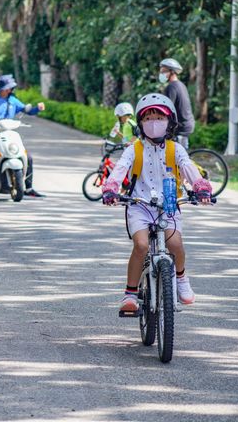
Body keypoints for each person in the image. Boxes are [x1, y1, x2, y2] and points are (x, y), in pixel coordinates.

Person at [101, 93, 212, 313]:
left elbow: (188, 167)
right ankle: (130, 294)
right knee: (141, 245)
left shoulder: (176, 148)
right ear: (140, 123)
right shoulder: (134, 149)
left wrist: (200, 186)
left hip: (168, 206)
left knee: (175, 244)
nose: (154, 123)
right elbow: (121, 167)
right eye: (148, 118)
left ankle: (181, 279)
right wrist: (111, 187)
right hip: (139, 204)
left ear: (169, 122)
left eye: (159, 118)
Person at [0, 74, 45, 201]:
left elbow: (26, 110)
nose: (9, 90)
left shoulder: (12, 101)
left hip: (8, 134)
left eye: (10, 88)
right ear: (2, 88)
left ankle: (28, 188)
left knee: (28, 157)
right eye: (7, 88)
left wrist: (37, 109)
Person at [159, 58, 195, 149]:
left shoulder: (171, 87)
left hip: (180, 127)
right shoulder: (181, 85)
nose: (161, 74)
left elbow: (166, 109)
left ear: (171, 72)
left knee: (178, 158)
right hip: (185, 124)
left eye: (163, 71)